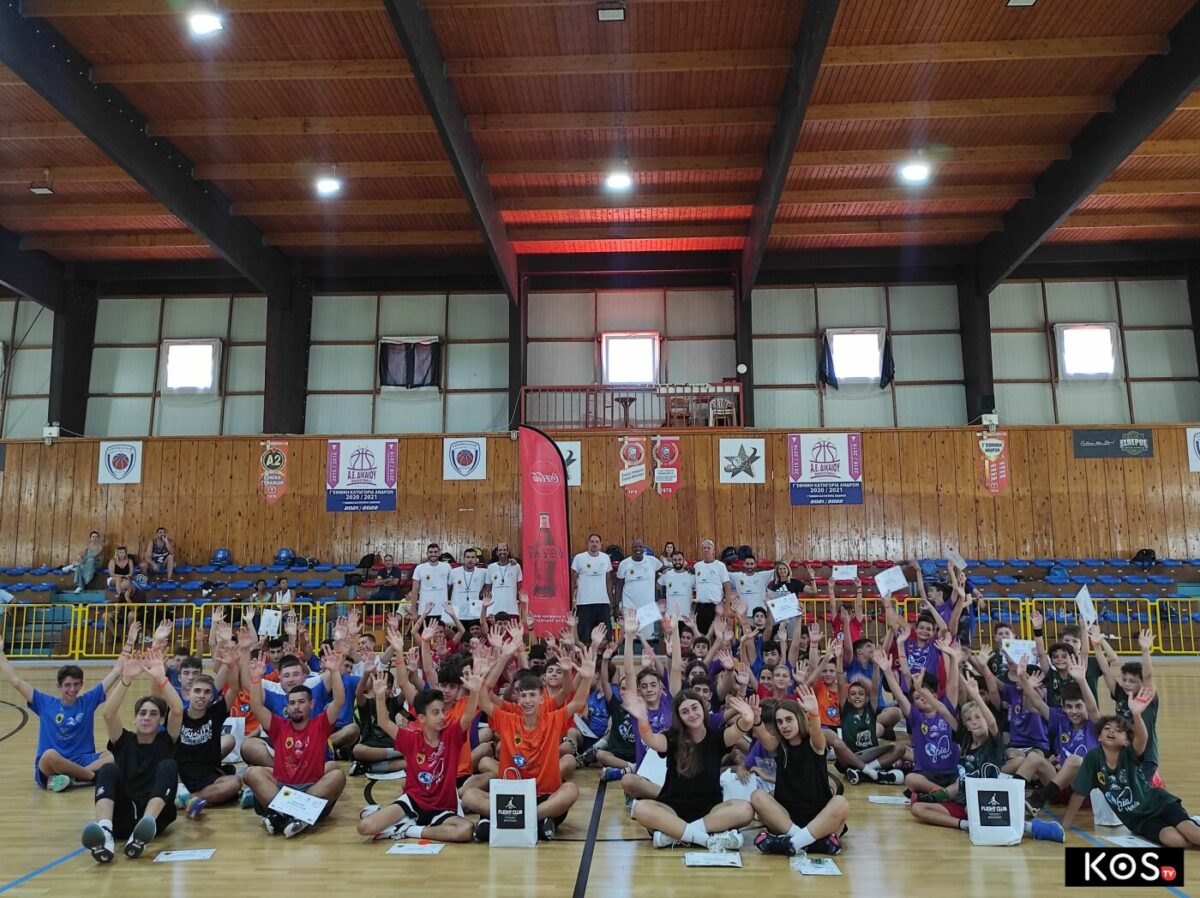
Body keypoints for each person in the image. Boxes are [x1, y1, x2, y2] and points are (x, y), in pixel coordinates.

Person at [461, 638, 598, 842]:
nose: (527, 700)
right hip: (511, 797)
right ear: (517, 699)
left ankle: (509, 820)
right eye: (523, 696)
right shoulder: (508, 720)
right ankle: (535, 822)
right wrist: (484, 674)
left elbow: (577, 701)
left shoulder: (553, 719)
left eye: (532, 695)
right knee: (470, 795)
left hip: (543, 798)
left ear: (542, 698)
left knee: (571, 790)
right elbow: (484, 700)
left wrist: (586, 677)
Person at [357, 665, 485, 843]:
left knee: (465, 830)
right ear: (422, 718)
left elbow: (468, 716)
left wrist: (475, 691)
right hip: (413, 801)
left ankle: (408, 829)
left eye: (442, 711)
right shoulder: (411, 739)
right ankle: (393, 817)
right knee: (365, 827)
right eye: (435, 713)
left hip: (442, 808)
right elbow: (384, 722)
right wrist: (379, 696)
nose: (442, 716)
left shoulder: (451, 735)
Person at [81, 648, 184, 863]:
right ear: (135, 719)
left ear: (161, 721)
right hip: (125, 813)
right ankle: (105, 832)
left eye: (153, 714)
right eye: (142, 713)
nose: (146, 718)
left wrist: (161, 679)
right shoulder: (123, 740)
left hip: (156, 817)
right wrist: (126, 679)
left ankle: (144, 828)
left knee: (169, 765)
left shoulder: (166, 740)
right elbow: (108, 713)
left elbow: (177, 710)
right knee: (108, 768)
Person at [1064, 685, 1200, 848]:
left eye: (1118, 730)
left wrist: (1136, 714)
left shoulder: (1129, 753)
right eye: (1107, 729)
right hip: (1140, 820)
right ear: (1099, 737)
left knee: (1193, 835)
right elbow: (1079, 794)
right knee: (1177, 842)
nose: (1111, 731)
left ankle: (1191, 824)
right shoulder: (1094, 758)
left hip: (1160, 803)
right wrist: (1064, 825)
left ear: (1126, 741)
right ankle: (1192, 823)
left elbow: (1142, 739)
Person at [623, 688, 753, 851]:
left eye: (694, 708)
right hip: (671, 811)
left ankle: (675, 835)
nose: (691, 714)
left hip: (710, 813)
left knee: (746, 810)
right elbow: (651, 739)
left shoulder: (717, 736)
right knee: (640, 809)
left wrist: (748, 717)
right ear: (679, 717)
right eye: (685, 712)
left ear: (702, 708)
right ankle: (706, 840)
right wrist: (642, 718)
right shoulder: (671, 737)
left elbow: (741, 727)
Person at [243, 643, 348, 838]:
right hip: (282, 787)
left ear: (311, 704)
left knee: (337, 775)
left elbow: (339, 701)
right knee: (251, 773)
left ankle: (280, 815)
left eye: (301, 702)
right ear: (287, 707)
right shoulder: (278, 726)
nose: (296, 707)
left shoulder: (321, 724)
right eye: (292, 703)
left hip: (311, 788)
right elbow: (256, 707)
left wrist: (334, 672)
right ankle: (297, 816)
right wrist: (256, 679)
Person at [0, 629, 126, 791]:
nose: (72, 689)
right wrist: (1, 654)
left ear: (81, 684)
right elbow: (16, 681)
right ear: (59, 686)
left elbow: (116, 672)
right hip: (53, 765)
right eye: (67, 685)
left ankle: (73, 777)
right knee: (49, 755)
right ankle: (90, 776)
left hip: (82, 760)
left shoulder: (87, 701)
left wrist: (129, 643)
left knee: (116, 754)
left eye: (76, 684)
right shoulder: (45, 702)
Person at [729, 690, 849, 856]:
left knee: (841, 802)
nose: (784, 725)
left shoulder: (815, 743)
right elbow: (763, 735)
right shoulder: (779, 746)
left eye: (789, 720)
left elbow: (817, 733)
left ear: (799, 719)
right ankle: (808, 841)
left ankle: (791, 843)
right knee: (757, 796)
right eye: (779, 722)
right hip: (786, 819)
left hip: (818, 816)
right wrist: (756, 719)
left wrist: (814, 713)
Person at [176, 648, 243, 818]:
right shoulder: (177, 716)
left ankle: (190, 799)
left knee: (235, 782)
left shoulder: (216, 713)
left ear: (212, 696)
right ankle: (196, 797)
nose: (201, 695)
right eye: (197, 691)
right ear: (188, 694)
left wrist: (232, 665)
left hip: (208, 774)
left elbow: (234, 688)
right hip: (182, 776)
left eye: (207, 692)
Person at [1094, 626, 1161, 780]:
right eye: (1124, 679)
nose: (1126, 684)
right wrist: (1096, 646)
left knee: (1140, 788)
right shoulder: (1120, 694)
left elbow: (1148, 675)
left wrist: (1145, 650)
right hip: (1125, 752)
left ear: (1141, 682)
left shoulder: (1147, 697)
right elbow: (1106, 671)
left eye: (1132, 681)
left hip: (1146, 756)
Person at [571, 533, 614, 645]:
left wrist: (611, 601)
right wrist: (572, 600)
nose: (594, 544)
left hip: (602, 602)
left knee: (605, 636)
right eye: (592, 541)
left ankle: (605, 655)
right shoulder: (579, 558)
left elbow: (608, 580)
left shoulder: (605, 558)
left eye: (597, 542)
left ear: (601, 544)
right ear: (588, 543)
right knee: (585, 637)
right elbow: (573, 581)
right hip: (584, 603)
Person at [616, 539, 663, 637]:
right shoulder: (624, 564)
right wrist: (616, 606)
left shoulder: (652, 561)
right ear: (631, 548)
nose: (638, 549)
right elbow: (619, 585)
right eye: (635, 547)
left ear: (643, 548)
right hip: (629, 607)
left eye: (640, 546)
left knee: (648, 637)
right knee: (630, 637)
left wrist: (684, 567)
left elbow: (664, 569)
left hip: (648, 607)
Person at [692, 539, 733, 635]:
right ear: (701, 550)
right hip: (700, 607)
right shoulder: (697, 566)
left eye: (709, 548)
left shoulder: (720, 566)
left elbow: (727, 588)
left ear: (713, 551)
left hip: (716, 607)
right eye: (704, 548)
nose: (706, 550)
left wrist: (726, 609)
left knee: (717, 635)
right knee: (701, 637)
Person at [483, 543, 526, 623]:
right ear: (497, 553)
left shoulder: (516, 566)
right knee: (494, 631)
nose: (502, 552)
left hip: (512, 609)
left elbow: (519, 589)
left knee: (513, 631)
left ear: (508, 552)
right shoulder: (490, 567)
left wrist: (521, 604)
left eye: (504, 550)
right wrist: (486, 608)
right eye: (500, 550)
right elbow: (488, 590)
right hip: (494, 610)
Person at [410, 542, 452, 622]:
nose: (433, 554)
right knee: (425, 631)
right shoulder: (419, 568)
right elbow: (414, 591)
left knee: (443, 630)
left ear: (439, 553)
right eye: (431, 552)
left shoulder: (447, 567)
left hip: (443, 610)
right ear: (427, 553)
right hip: (424, 610)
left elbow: (449, 586)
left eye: (435, 552)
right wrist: (413, 612)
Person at [451, 548, 487, 626]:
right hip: (458, 614)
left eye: (473, 557)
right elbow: (448, 589)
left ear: (476, 560)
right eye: (468, 557)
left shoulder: (483, 572)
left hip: (474, 614)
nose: (470, 560)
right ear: (463, 559)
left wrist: (511, 562)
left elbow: (496, 569)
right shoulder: (453, 572)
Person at [659, 551, 696, 621]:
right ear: (672, 561)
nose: (677, 562)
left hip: (686, 618)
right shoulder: (666, 574)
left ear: (684, 560)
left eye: (680, 559)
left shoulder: (691, 575)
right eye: (675, 560)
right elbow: (658, 586)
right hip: (670, 617)